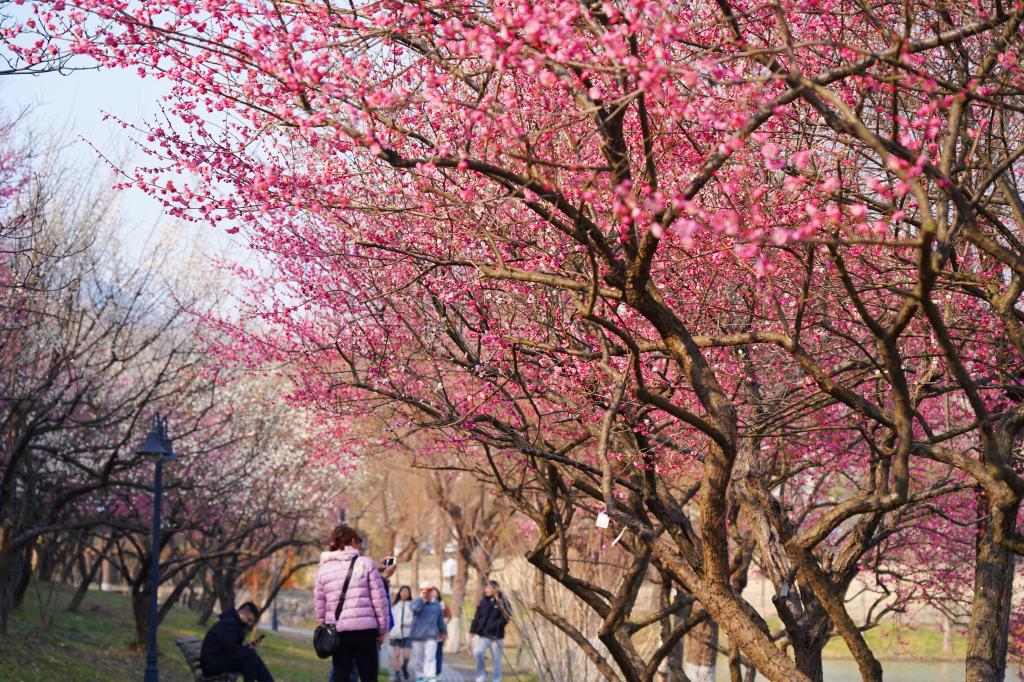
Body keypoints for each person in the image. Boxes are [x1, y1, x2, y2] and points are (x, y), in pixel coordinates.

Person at [314, 525, 391, 682]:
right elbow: (379, 600)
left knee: (340, 675)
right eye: (359, 541)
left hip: (339, 631)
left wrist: (325, 628)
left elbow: (320, 604)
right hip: (366, 632)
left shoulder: (324, 570)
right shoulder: (367, 564)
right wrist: (382, 630)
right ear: (354, 541)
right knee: (369, 677)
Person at [200, 601, 274, 682]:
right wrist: (247, 650)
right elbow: (231, 650)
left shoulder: (232, 622)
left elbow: (231, 649)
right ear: (241, 613)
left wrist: (248, 647)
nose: (249, 624)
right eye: (249, 620)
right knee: (251, 655)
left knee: (252, 656)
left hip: (217, 661)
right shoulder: (229, 624)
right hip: (211, 665)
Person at [469, 581, 512, 682]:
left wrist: (494, 626)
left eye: (489, 588)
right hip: (483, 634)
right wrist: (472, 630)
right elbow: (477, 616)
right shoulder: (483, 601)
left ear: (495, 589)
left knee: (497, 660)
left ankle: (496, 679)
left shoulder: (503, 601)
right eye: (486, 588)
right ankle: (481, 676)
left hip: (497, 636)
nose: (486, 590)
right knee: (478, 652)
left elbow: (507, 616)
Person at [409, 582, 447, 682]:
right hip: (417, 636)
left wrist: (443, 632)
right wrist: (422, 599)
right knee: (419, 659)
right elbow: (413, 608)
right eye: (424, 590)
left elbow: (440, 620)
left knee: (430, 658)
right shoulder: (417, 602)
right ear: (421, 591)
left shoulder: (436, 604)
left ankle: (431, 679)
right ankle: (420, 677)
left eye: (429, 590)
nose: (427, 592)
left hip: (431, 636)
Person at [389, 585, 414, 681]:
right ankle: (397, 675)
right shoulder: (395, 605)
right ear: (399, 593)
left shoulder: (412, 605)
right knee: (397, 655)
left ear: (409, 594)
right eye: (403, 591)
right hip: (396, 633)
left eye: (406, 592)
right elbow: (391, 619)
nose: (404, 593)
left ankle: (404, 667)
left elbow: (414, 619)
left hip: (407, 633)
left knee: (407, 656)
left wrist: (406, 623)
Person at [431, 587, 452, 674]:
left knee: (438, 652)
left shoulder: (443, 604)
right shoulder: (426, 603)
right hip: (428, 632)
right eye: (431, 592)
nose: (433, 594)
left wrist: (442, 623)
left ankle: (437, 671)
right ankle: (430, 671)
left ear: (438, 594)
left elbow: (449, 616)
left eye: (435, 592)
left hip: (440, 632)